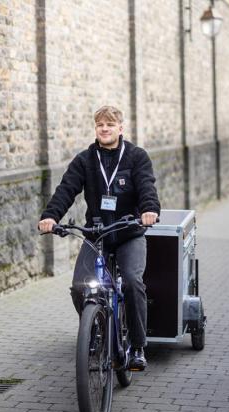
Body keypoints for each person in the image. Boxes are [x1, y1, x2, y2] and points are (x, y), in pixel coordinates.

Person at [38, 106, 160, 371]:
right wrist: (50, 216)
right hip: (97, 234)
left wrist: (150, 210)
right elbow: (66, 190)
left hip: (129, 233)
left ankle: (138, 346)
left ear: (120, 128)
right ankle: (94, 327)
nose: (104, 128)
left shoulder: (137, 157)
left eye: (110, 124)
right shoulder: (85, 160)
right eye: (99, 125)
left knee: (131, 281)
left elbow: (146, 187)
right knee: (80, 286)